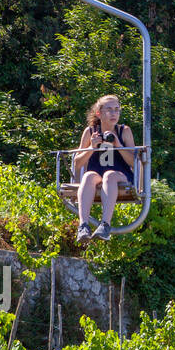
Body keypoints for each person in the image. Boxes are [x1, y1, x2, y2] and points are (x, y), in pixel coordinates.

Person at [72, 94, 136, 243]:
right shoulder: (90, 132)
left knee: (109, 175)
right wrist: (91, 147)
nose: (113, 113)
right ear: (99, 113)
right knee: (88, 177)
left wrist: (119, 146)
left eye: (116, 110)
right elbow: (77, 164)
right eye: (109, 110)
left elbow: (134, 162)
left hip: (120, 175)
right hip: (96, 174)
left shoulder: (124, 131)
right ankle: (83, 226)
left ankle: (105, 225)